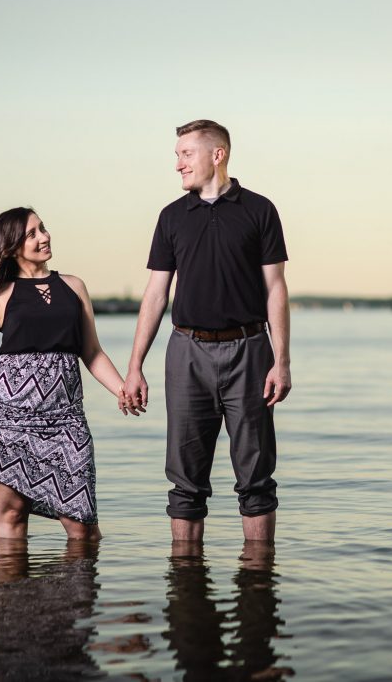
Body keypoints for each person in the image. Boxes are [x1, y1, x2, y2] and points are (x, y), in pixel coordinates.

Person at [124, 119, 291, 544]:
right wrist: (134, 367)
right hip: (187, 353)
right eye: (177, 155)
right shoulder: (171, 217)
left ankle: (257, 586)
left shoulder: (260, 210)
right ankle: (186, 587)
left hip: (250, 351)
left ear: (217, 155)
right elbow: (156, 294)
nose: (178, 164)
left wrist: (282, 361)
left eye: (185, 154)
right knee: (185, 480)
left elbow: (275, 289)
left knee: (256, 476)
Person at [0, 207, 140, 541]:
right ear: (11, 246)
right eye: (31, 234)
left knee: (83, 528)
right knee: (12, 514)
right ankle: (10, 592)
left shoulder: (74, 287)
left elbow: (91, 351)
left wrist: (123, 389)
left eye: (42, 228)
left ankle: (79, 592)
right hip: (10, 419)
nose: (44, 237)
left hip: (66, 420)